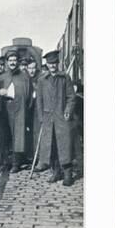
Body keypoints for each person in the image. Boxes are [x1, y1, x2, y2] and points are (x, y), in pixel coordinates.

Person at [34, 50, 76, 186]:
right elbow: (39, 100)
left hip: (62, 117)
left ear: (58, 64)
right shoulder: (42, 80)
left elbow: (71, 97)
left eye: (54, 63)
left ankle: (68, 173)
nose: (52, 66)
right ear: (47, 64)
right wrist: (41, 117)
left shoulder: (65, 78)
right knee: (51, 145)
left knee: (64, 145)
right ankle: (56, 171)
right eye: (50, 63)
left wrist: (68, 111)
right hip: (48, 118)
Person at [0, 49, 32, 173]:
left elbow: (27, 95)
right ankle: (5, 161)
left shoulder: (24, 77)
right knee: (5, 136)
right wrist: (0, 94)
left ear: (17, 62)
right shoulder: (2, 77)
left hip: (19, 110)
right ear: (7, 62)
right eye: (10, 60)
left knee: (18, 136)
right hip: (5, 111)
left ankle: (16, 163)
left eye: (14, 60)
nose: (12, 62)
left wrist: (25, 111)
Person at [26, 57, 41, 162]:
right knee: (27, 133)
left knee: (36, 132)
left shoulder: (40, 79)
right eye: (30, 68)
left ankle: (38, 156)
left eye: (34, 68)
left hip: (37, 109)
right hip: (27, 109)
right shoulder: (24, 79)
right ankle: (29, 155)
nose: (32, 70)